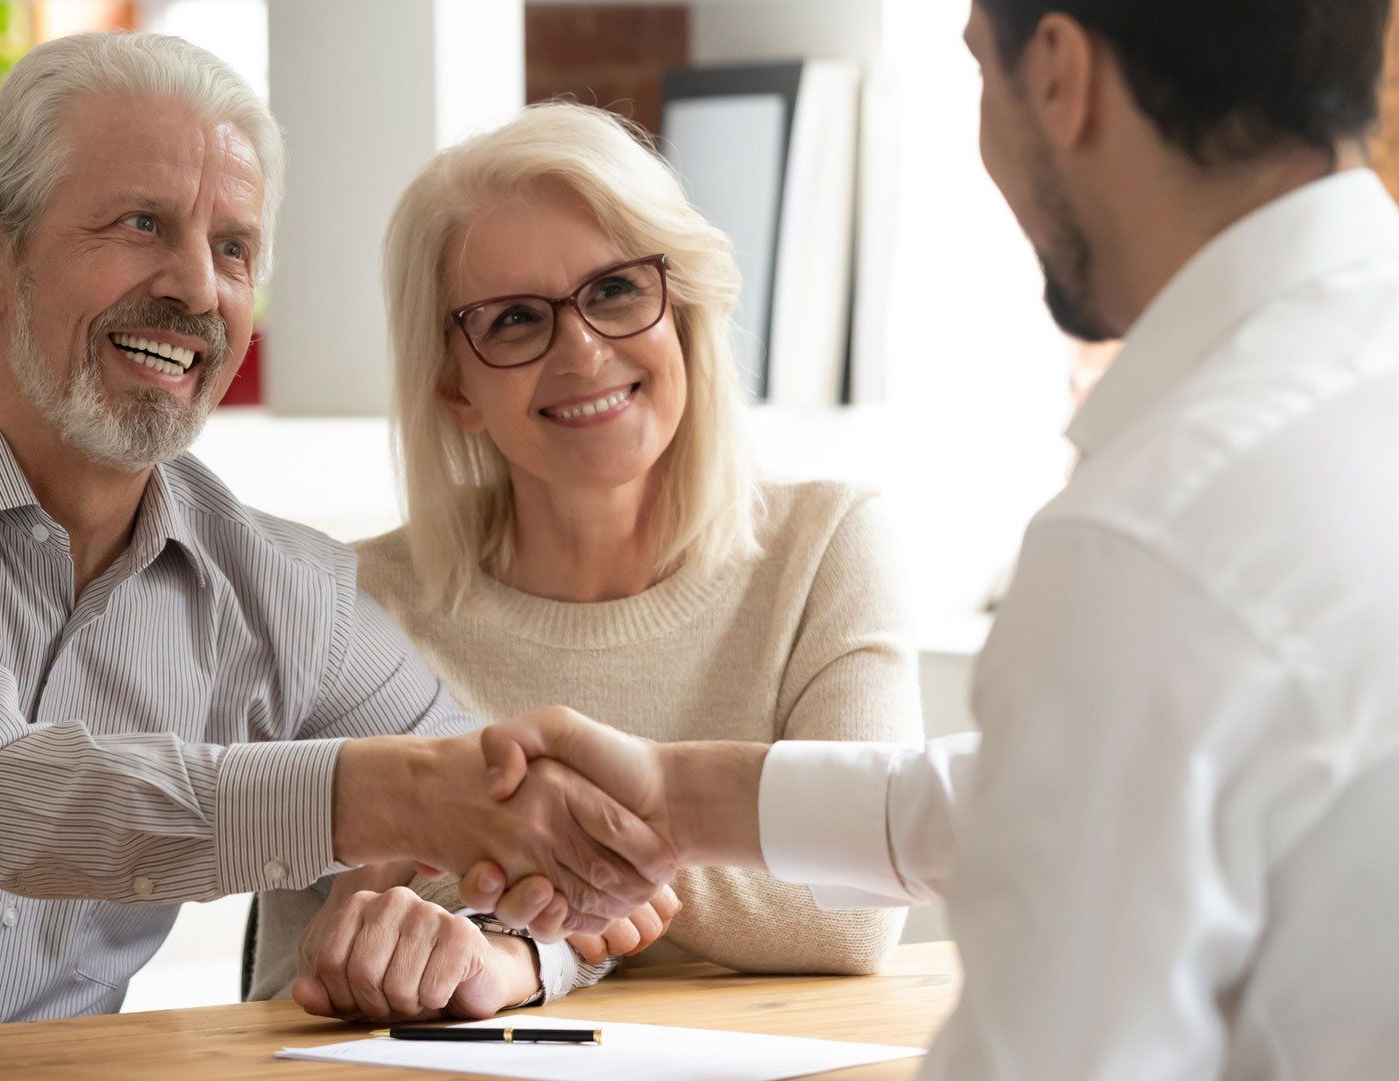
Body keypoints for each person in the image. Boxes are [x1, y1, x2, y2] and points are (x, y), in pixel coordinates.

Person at [0, 32, 673, 1060]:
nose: (195, 287)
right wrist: (401, 795)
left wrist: (509, 947)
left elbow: (549, 853)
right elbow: (1, 791)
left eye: (233, 248)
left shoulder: (285, 594)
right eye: (140, 223)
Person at [470, 0, 1399, 1077]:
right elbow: (1075, 784)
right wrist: (676, 800)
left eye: (974, 73)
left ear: (1057, 74)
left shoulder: (1153, 536)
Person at [248, 103, 921, 1021]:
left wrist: (527, 910)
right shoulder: (346, 606)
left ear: (681, 308)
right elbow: (298, 975)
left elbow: (853, 906)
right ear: (454, 383)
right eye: (517, 320)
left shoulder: (828, 545)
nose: (583, 351)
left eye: (614, 291)